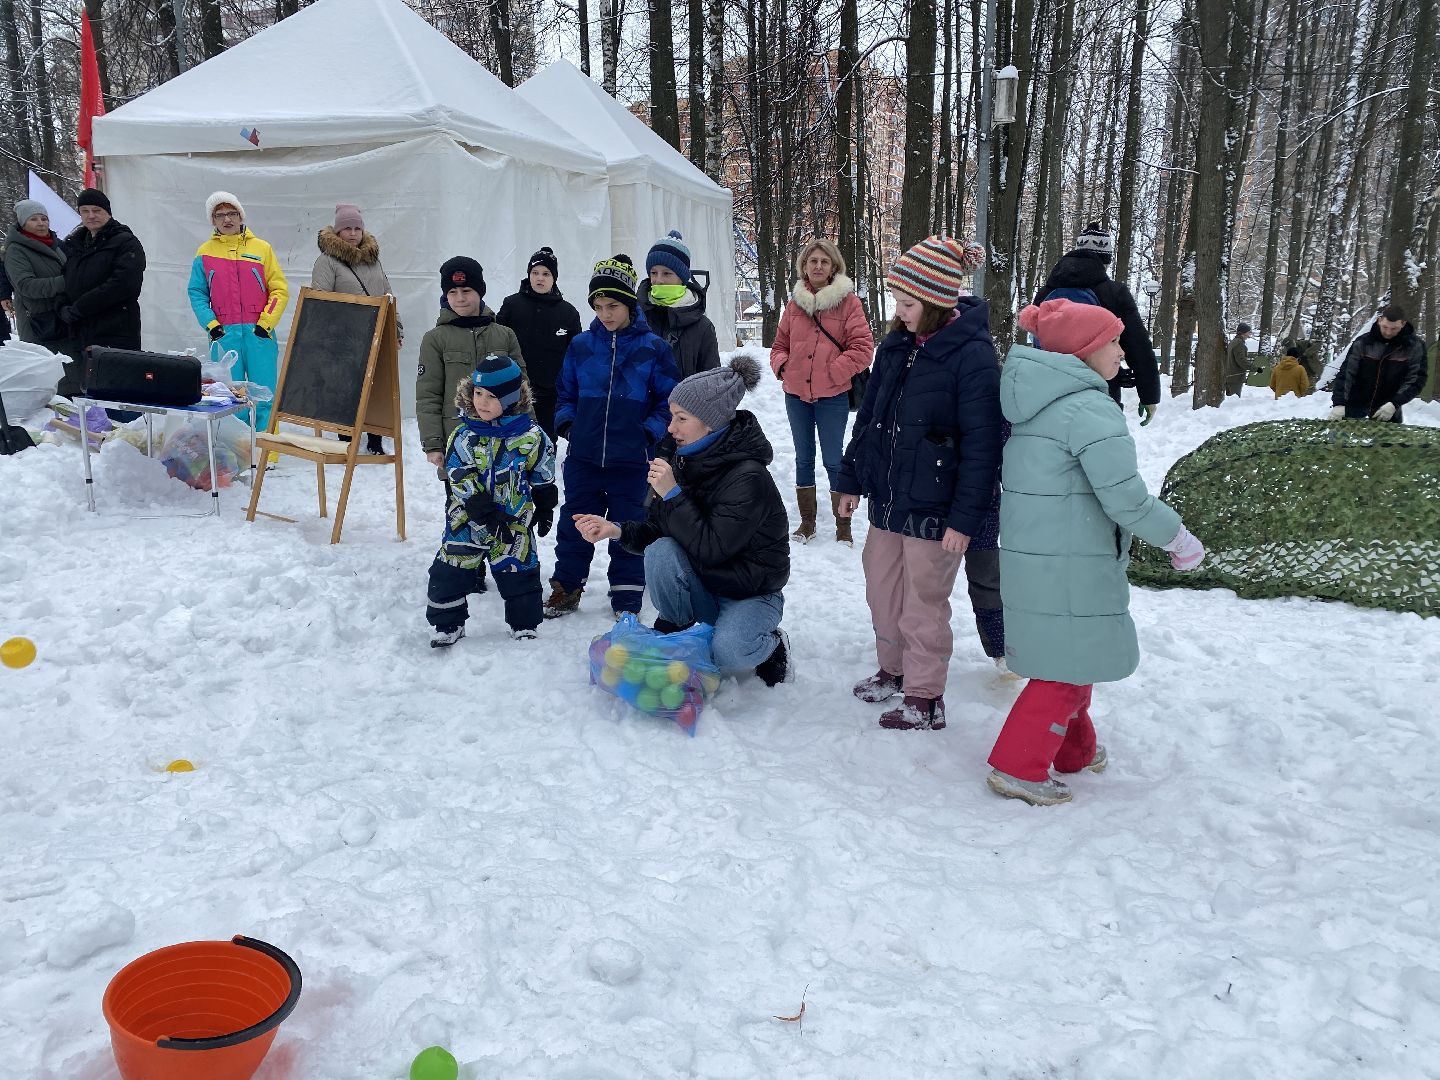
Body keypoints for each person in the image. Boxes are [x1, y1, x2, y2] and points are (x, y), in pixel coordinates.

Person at [985, 298, 1206, 806]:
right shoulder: (1088, 410)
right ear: (1083, 351)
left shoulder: (1037, 402)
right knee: (1064, 670)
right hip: (1070, 559)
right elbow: (1126, 497)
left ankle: (1074, 751)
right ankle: (1017, 766)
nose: (1122, 351)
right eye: (1112, 341)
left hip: (1044, 554)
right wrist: (1177, 537)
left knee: (1074, 657)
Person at [834, 236, 1003, 731]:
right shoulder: (896, 346)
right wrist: (851, 480)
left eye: (908, 303)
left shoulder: (972, 356)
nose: (899, 311)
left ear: (935, 302)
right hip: (888, 501)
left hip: (937, 511)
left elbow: (983, 447)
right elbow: (868, 419)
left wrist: (965, 520)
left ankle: (925, 698)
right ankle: (894, 669)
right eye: (897, 301)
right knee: (882, 590)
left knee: (922, 604)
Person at [573, 355, 793, 685]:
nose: (670, 427)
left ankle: (772, 644)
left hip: (750, 593)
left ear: (711, 422)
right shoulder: (684, 460)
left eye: (681, 418)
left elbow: (712, 548)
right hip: (706, 584)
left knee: (729, 652)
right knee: (661, 549)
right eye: (672, 416)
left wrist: (674, 495)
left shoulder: (748, 477)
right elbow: (662, 530)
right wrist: (615, 530)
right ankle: (677, 622)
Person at [546, 255, 681, 620]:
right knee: (576, 523)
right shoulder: (581, 346)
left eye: (613, 305)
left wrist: (646, 434)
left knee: (627, 526)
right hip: (584, 458)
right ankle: (567, 586)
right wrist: (569, 426)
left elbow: (668, 402)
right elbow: (565, 393)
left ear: (630, 304)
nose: (605, 313)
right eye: (599, 306)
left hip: (631, 461)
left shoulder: (653, 349)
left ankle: (626, 595)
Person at [425, 355, 557, 648]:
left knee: (520, 572)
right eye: (478, 393)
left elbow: (542, 470)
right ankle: (448, 623)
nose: (482, 402)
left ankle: (524, 624)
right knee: (451, 571)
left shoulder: (532, 435)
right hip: (467, 520)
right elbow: (458, 474)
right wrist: (481, 508)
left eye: (492, 396)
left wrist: (546, 503)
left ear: (511, 398)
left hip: (512, 521)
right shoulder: (464, 434)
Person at [769, 238, 874, 545]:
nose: (817, 266)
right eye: (812, 261)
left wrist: (834, 371)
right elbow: (779, 346)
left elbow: (863, 348)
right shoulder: (794, 305)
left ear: (833, 267)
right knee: (803, 458)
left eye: (824, 261)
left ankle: (843, 526)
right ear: (804, 266)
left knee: (832, 460)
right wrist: (784, 368)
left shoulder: (849, 303)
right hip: (796, 396)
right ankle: (807, 522)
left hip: (832, 397)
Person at [1034, 221, 1161, 425]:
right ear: (1105, 261)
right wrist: (1149, 395)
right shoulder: (1114, 293)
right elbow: (1138, 346)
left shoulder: (1046, 293)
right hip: (1101, 391)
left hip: (1051, 390)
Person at [188, 191, 288, 431]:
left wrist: (266, 324)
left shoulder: (262, 248)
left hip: (259, 333)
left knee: (264, 392)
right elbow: (197, 292)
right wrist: (212, 325)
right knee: (229, 395)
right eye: (220, 215)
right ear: (213, 220)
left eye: (232, 213)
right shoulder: (204, 252)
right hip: (223, 335)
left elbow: (279, 290)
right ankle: (236, 451)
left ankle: (266, 449)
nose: (227, 219)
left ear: (241, 216)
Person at [311, 203, 403, 454]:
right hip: (342, 338)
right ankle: (346, 441)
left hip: (375, 334)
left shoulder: (373, 260)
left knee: (376, 388)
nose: (352, 233)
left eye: (357, 228)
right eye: (347, 228)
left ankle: (375, 440)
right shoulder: (327, 261)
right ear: (337, 231)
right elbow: (320, 301)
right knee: (343, 388)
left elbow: (388, 294)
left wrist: (396, 328)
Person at [59, 189, 146, 394]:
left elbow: (123, 285)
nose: (91, 216)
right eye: (85, 211)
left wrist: (79, 308)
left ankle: (124, 425)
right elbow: (64, 279)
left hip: (115, 329)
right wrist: (61, 306)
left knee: (118, 389)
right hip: (82, 331)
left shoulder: (125, 242)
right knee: (91, 389)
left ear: (108, 212)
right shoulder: (75, 244)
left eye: (97, 210)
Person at [496, 246, 583, 441]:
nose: (540, 278)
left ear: (554, 278)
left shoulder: (568, 313)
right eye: (535, 273)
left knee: (544, 442)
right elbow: (497, 343)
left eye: (546, 273)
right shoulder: (511, 305)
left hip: (551, 395)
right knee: (512, 444)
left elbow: (576, 355)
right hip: (514, 392)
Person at [636, 230, 720, 379]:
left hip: (684, 402)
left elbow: (711, 383)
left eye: (667, 273)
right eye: (653, 273)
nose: (658, 280)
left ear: (682, 277)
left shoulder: (703, 327)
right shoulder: (634, 316)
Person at [1327, 304, 1428, 424]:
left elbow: (1416, 379)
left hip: (1388, 408)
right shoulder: (1363, 343)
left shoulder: (1414, 347)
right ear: (1379, 321)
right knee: (1340, 441)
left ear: (1403, 324)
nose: (1388, 332)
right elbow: (1346, 374)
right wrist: (1339, 403)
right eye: (1385, 327)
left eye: (1394, 328)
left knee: (1389, 442)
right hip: (1354, 404)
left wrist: (1394, 403)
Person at [4, 201, 69, 363]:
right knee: (52, 377)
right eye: (33, 219)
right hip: (40, 324)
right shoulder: (16, 250)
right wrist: (68, 282)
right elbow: (27, 286)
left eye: (44, 218)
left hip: (62, 319)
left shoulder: (55, 245)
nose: (40, 223)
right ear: (22, 223)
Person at [1224, 322, 1253, 397]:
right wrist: (1255, 368)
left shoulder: (1233, 342)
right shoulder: (1239, 344)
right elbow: (1242, 361)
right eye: (1248, 332)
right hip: (1235, 377)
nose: (1249, 334)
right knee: (1234, 401)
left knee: (1230, 399)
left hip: (1230, 376)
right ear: (1243, 333)